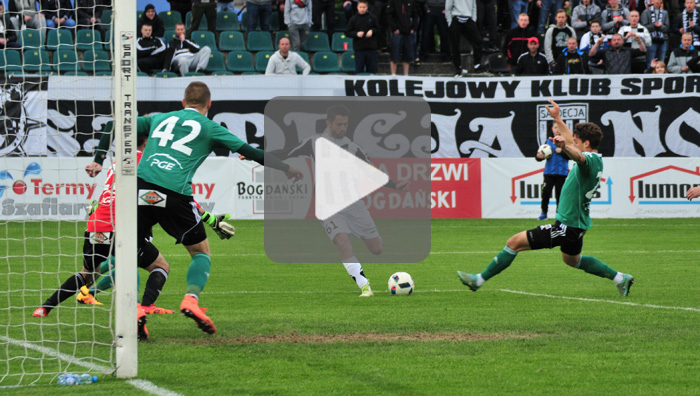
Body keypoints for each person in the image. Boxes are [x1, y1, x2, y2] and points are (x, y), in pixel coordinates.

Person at [135, 81, 302, 335]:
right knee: (200, 252)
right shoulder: (210, 127)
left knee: (128, 251)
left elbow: (119, 124)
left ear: (183, 102)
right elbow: (251, 152)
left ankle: (135, 308)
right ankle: (190, 300)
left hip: (141, 189)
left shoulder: (160, 118)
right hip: (175, 193)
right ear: (209, 104)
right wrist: (288, 169)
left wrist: (99, 157)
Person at [458, 99, 635, 298]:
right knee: (572, 260)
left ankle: (478, 280)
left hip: (567, 227)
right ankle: (621, 278)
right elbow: (572, 142)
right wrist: (557, 118)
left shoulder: (590, 160)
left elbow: (579, 156)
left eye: (576, 141)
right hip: (576, 225)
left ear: (586, 143)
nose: (572, 142)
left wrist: (566, 148)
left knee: (514, 242)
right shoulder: (595, 158)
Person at [32, 133, 173, 335]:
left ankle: (45, 307)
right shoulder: (148, 162)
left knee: (87, 276)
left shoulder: (117, 162)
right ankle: (142, 308)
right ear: (147, 141)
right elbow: (152, 197)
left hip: (96, 225)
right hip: (121, 227)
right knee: (160, 266)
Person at [271, 105, 409, 297]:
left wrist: (395, 185)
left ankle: (358, 241)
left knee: (376, 248)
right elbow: (286, 152)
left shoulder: (354, 148)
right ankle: (364, 286)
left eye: (345, 124)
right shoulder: (314, 142)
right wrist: (256, 154)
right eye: (339, 124)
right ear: (328, 123)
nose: (342, 128)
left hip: (354, 204)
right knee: (343, 242)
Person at [535, 123, 569, 220]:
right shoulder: (548, 141)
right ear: (552, 129)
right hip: (549, 173)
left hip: (562, 173)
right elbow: (540, 156)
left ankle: (559, 214)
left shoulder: (566, 141)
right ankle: (544, 213)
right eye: (555, 127)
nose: (557, 130)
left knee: (560, 195)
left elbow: (571, 156)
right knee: (546, 193)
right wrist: (538, 157)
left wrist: (562, 151)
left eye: (559, 128)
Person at [446, 0, 486, 75]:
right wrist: (450, 23)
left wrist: (473, 20)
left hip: (468, 19)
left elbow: (474, 7)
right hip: (456, 18)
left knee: (478, 41)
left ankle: (477, 65)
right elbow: (448, 8)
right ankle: (458, 66)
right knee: (455, 45)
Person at [346, 0, 380, 74]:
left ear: (367, 7)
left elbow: (378, 29)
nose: (362, 9)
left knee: (372, 70)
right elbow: (347, 32)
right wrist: (356, 34)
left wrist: (372, 31)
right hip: (359, 49)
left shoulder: (373, 17)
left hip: (371, 49)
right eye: (360, 7)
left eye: (364, 7)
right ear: (357, 7)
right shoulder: (353, 19)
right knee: (358, 70)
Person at [387, 0, 420, 75]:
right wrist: (394, 28)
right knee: (394, 54)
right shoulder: (393, 2)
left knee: (407, 55)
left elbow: (415, 14)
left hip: (408, 32)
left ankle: (406, 75)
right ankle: (393, 74)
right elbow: (389, 15)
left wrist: (414, 28)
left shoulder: (411, 1)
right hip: (397, 32)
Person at [641, 0, 670, 68]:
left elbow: (667, 28)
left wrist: (660, 27)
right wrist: (654, 26)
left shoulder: (665, 12)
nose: (657, 1)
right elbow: (644, 27)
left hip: (662, 40)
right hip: (651, 40)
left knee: (661, 62)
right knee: (650, 61)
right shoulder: (646, 12)